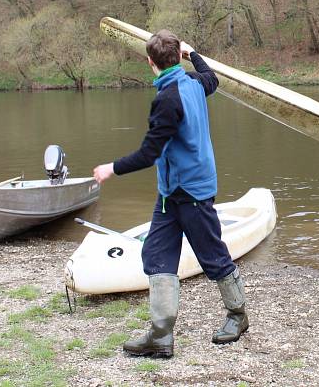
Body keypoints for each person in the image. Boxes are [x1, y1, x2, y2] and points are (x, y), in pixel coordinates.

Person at [93, 30, 247, 359]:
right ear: (177, 57)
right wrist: (194, 54)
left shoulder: (168, 98)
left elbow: (149, 153)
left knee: (212, 256)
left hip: (191, 190)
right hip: (170, 193)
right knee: (156, 256)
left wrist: (112, 167)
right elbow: (212, 77)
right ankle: (161, 335)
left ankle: (238, 316)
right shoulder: (193, 83)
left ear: (150, 63)